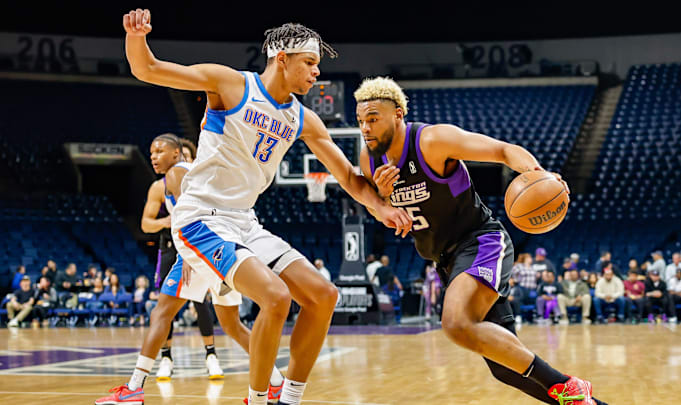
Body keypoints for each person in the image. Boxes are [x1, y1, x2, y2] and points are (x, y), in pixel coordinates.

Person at [97, 10, 411, 405]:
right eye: (310, 63)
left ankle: (291, 397)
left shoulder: (303, 118)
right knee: (275, 297)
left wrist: (380, 207)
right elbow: (148, 68)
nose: (317, 73)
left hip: (244, 221)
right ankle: (257, 399)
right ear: (282, 58)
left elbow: (348, 177)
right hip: (199, 218)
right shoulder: (230, 84)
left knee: (323, 294)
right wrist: (136, 36)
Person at [356, 76, 605, 404]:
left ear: (398, 114)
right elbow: (384, 210)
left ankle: (568, 384)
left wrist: (535, 172)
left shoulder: (432, 140)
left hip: (479, 242)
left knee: (456, 323)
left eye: (373, 119)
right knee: (504, 368)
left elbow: (502, 150)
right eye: (361, 121)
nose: (365, 128)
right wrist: (385, 199)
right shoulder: (369, 160)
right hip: (444, 260)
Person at [140, 133, 230, 381]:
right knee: (165, 306)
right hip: (172, 244)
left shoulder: (189, 176)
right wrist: (165, 221)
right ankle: (166, 358)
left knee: (201, 302)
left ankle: (211, 355)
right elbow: (146, 224)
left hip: (195, 241)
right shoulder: (160, 186)